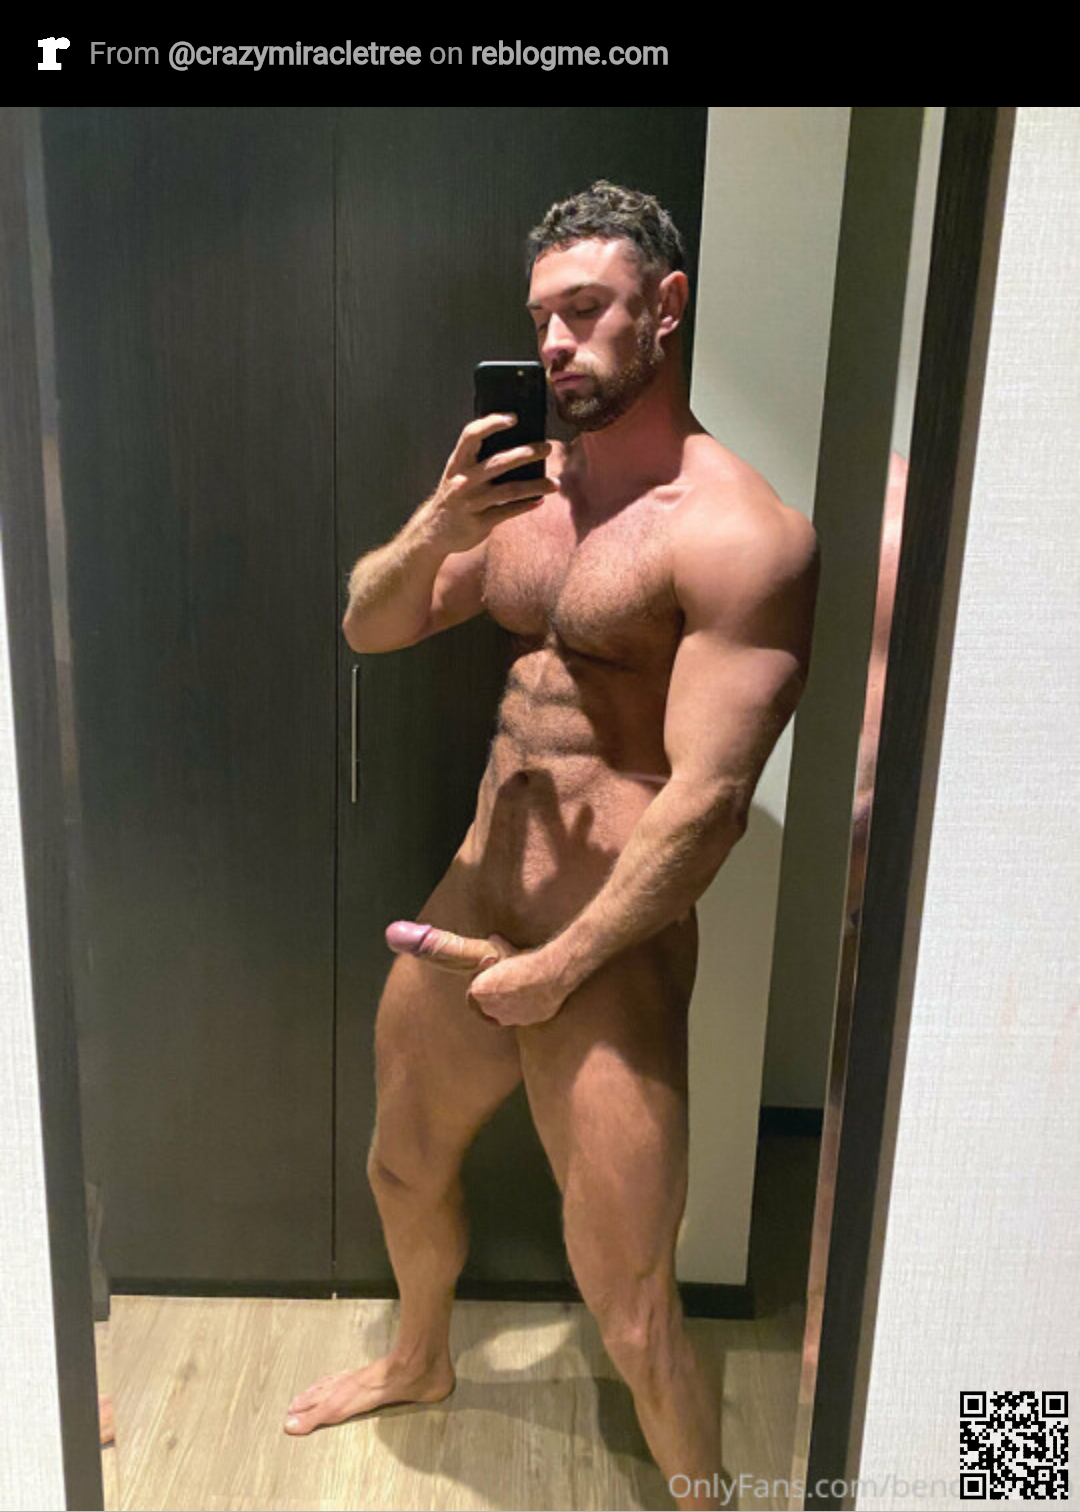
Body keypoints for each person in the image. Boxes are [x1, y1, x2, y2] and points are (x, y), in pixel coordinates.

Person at [284, 180, 820, 1512]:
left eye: (586, 310)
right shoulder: (524, 495)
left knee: (631, 1305)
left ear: (667, 308)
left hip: (605, 952)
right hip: (470, 911)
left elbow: (707, 801)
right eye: (542, 320)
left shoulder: (738, 534)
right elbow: (368, 625)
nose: (557, 344)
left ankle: (706, 1496)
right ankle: (420, 1358)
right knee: (401, 1166)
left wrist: (563, 965)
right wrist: (440, 524)